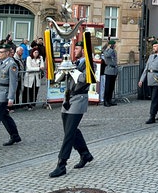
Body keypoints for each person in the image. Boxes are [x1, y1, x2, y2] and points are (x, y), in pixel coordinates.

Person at [48, 41, 94, 178]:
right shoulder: (74, 62)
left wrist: (72, 70)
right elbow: (61, 79)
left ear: (84, 50)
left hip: (79, 99)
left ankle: (61, 164)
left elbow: (85, 78)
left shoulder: (89, 63)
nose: (74, 51)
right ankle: (85, 154)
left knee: (69, 133)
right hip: (67, 99)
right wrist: (62, 71)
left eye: (77, 49)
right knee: (71, 130)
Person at [139, 40, 158, 124]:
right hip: (150, 79)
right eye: (153, 47)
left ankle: (152, 116)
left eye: (155, 46)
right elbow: (146, 69)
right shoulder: (151, 56)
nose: (154, 48)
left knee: (154, 99)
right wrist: (141, 80)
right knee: (154, 97)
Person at [102, 40, 118, 107]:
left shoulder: (113, 51)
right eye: (114, 44)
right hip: (109, 70)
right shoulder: (108, 51)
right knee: (108, 87)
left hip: (114, 70)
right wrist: (109, 48)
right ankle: (106, 101)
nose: (115, 45)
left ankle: (109, 100)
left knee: (111, 87)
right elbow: (106, 55)